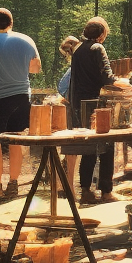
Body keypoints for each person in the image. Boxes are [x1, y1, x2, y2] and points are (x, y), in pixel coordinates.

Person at [0, 8, 41, 199]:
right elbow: (36, 68)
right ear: (11, 22)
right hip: (22, 97)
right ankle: (13, 184)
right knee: (16, 141)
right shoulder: (27, 40)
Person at [69, 17, 128, 203]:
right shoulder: (98, 48)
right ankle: (106, 191)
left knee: (89, 147)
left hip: (79, 103)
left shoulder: (77, 49)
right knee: (107, 146)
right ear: (102, 34)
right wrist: (126, 84)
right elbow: (107, 78)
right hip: (96, 103)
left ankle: (86, 190)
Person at [56, 35, 80, 194]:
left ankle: (69, 185)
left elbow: (61, 88)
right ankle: (69, 186)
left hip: (73, 109)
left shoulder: (74, 68)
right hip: (79, 108)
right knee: (73, 150)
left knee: (71, 149)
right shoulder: (79, 65)